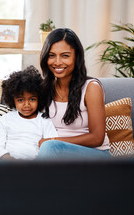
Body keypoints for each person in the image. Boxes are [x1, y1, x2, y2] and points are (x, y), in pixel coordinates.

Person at [38, 28, 110, 158]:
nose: (57, 62)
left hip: (96, 155)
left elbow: (97, 138)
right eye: (51, 55)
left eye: (65, 55)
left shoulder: (91, 88)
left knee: (49, 147)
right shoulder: (44, 89)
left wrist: (53, 141)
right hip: (55, 156)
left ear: (76, 57)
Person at [0, 66, 57, 160]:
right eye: (21, 100)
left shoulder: (44, 120)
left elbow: (51, 146)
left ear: (39, 98)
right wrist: (8, 159)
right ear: (13, 100)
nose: (27, 105)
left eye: (32, 99)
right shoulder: (5, 119)